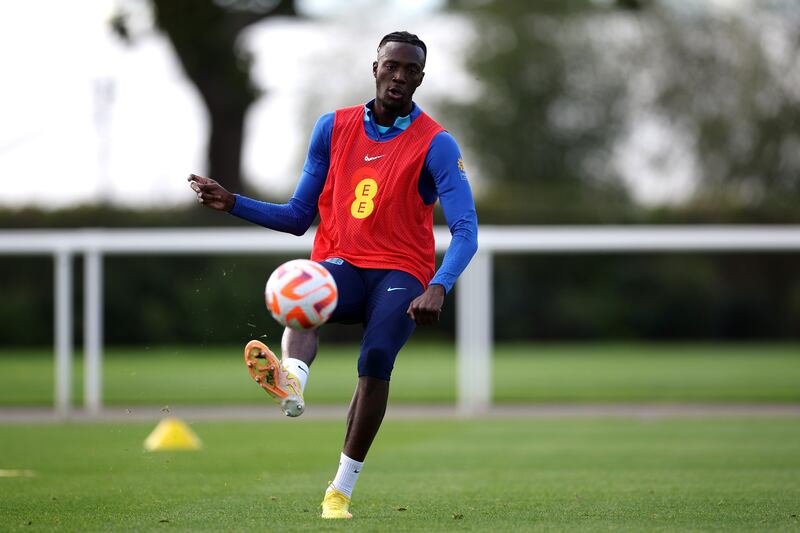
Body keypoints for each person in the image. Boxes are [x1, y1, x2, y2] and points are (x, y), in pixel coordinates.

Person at [188, 31, 478, 520]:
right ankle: (292, 381)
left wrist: (438, 285)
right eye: (393, 66)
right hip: (341, 260)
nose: (400, 76)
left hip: (401, 272)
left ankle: (339, 490)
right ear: (376, 68)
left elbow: (466, 230)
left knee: (378, 354)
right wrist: (232, 202)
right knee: (303, 289)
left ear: (421, 79)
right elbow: (299, 215)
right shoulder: (333, 127)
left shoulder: (437, 143)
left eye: (411, 70)